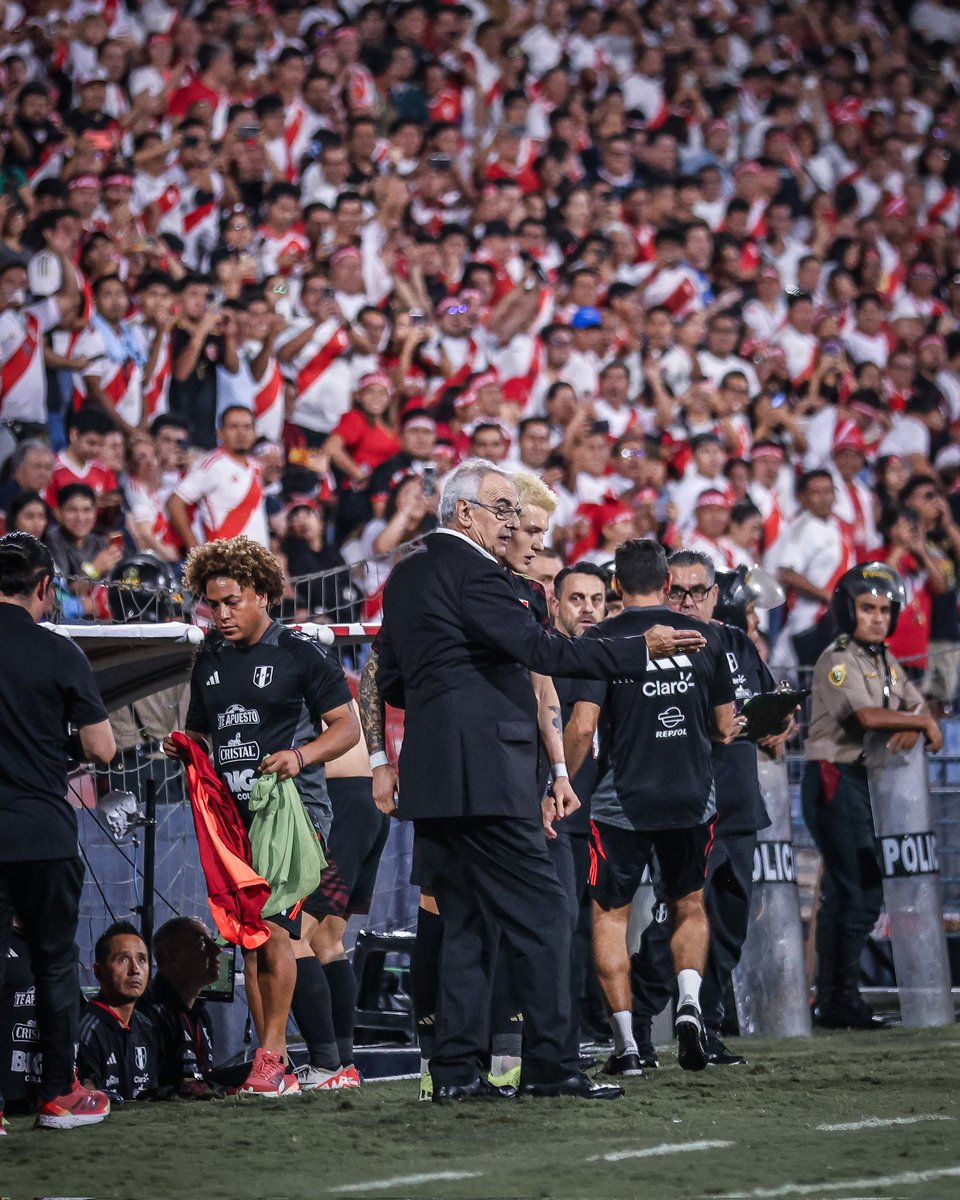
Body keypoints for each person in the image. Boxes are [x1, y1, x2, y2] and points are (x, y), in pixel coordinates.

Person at [371, 458, 706, 1103]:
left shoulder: (408, 575)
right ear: (464, 513)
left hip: (436, 777)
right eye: (500, 507)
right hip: (488, 775)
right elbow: (548, 652)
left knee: (466, 924)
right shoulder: (478, 574)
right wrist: (641, 649)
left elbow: (388, 677)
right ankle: (552, 1067)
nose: (510, 519)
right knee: (550, 913)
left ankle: (457, 1075)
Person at [162, 535, 359, 1097]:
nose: (221, 614)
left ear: (263, 595)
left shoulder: (299, 652)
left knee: (273, 927)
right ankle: (272, 1061)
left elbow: (345, 728)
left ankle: (274, 1057)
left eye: (232, 602)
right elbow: (204, 730)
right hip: (233, 815)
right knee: (249, 937)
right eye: (212, 603)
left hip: (292, 812)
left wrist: (299, 757)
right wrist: (189, 749)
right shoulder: (211, 660)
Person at [565, 539, 738, 1075]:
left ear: (616, 586)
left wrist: (557, 783)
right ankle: (689, 1005)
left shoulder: (602, 637)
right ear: (667, 585)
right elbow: (725, 727)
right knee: (689, 904)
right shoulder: (707, 636)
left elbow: (584, 725)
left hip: (624, 800)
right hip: (691, 794)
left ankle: (628, 1048)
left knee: (611, 916)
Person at [630, 555, 792, 1067]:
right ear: (662, 592)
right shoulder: (653, 648)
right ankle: (633, 1027)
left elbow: (767, 706)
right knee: (676, 920)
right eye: (677, 592)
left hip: (739, 802)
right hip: (688, 804)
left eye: (699, 591)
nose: (688, 602)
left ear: (716, 594)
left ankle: (706, 1028)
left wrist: (779, 724)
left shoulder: (739, 643)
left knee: (728, 925)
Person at [0, 531, 115, 1130]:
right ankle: (55, 1095)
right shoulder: (59, 651)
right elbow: (102, 747)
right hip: (42, 831)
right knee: (52, 962)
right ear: (45, 586)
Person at [803, 563, 943, 1029]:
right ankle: (837, 998)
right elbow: (867, 716)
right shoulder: (839, 659)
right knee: (855, 889)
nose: (879, 618)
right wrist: (918, 723)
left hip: (859, 781)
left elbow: (911, 701)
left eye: (885, 610)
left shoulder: (882, 658)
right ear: (848, 611)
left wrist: (912, 717)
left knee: (855, 891)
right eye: (867, 609)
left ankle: (838, 998)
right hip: (834, 778)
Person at [139, 917, 221, 1097]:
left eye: (213, 942)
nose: (217, 950)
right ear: (171, 956)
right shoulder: (148, 1015)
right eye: (203, 944)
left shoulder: (201, 1015)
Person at [168, 406, 269, 550]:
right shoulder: (211, 465)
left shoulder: (255, 466)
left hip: (258, 561)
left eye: (247, 427)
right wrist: (195, 549)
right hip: (226, 561)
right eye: (234, 427)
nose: (241, 433)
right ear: (220, 433)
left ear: (254, 433)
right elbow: (174, 503)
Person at [77, 922, 158, 1103]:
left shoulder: (147, 1027)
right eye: (123, 959)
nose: (135, 970)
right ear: (98, 972)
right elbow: (84, 1095)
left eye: (142, 960)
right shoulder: (87, 1029)